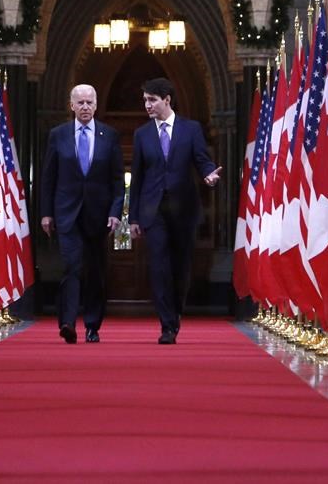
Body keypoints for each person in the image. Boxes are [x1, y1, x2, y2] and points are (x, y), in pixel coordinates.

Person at [129, 77, 221, 344]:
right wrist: (134, 217)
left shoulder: (191, 129)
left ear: (167, 100)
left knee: (180, 266)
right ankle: (167, 324)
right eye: (145, 100)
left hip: (184, 209)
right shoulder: (141, 134)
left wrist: (209, 176)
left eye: (152, 100)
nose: (147, 105)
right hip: (152, 210)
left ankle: (176, 310)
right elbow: (136, 177)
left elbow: (202, 160)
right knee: (158, 266)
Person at [40, 84, 125, 344]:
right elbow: (48, 177)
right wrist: (46, 214)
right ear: (72, 105)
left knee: (95, 271)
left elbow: (117, 180)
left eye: (90, 102)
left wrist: (115, 212)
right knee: (72, 266)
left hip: (98, 216)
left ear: (96, 105)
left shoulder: (109, 135)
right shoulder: (58, 135)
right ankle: (67, 322)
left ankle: (92, 325)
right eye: (81, 103)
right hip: (67, 214)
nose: (85, 107)